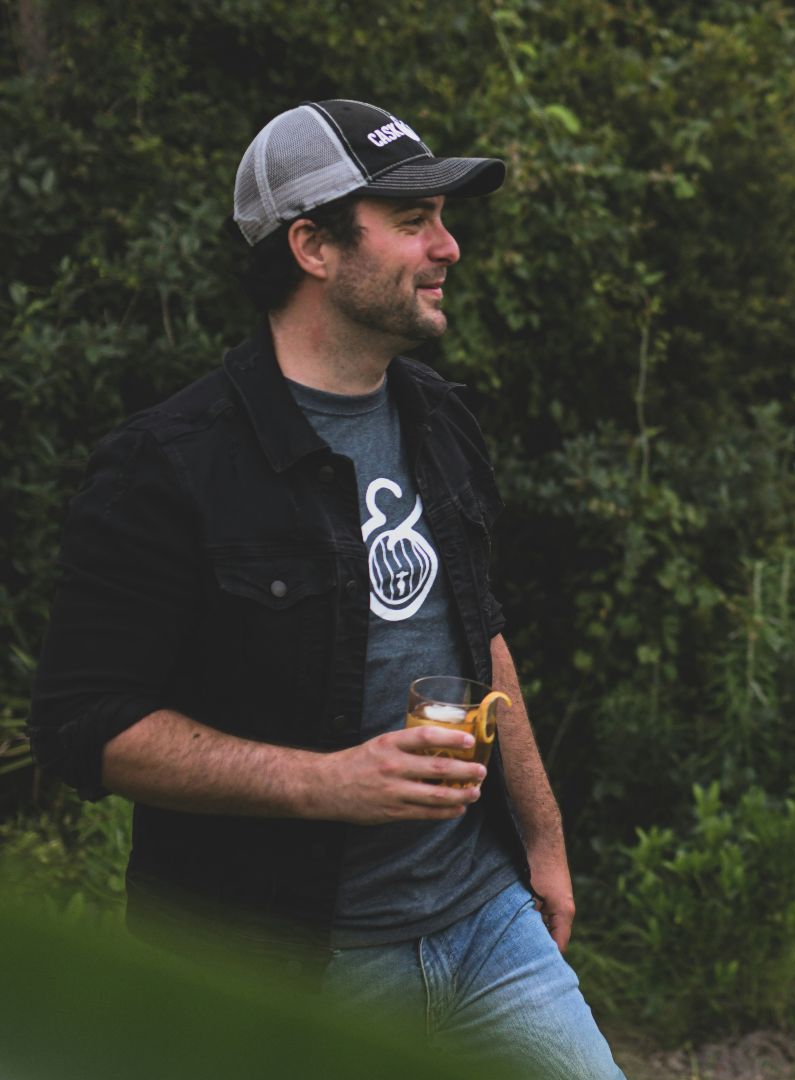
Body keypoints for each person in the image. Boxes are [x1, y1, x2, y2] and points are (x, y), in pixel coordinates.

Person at [29, 99, 624, 1079]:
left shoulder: (439, 416)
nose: (449, 246)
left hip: (486, 922)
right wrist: (326, 782)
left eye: (443, 217)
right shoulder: (169, 467)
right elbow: (83, 725)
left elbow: (483, 639)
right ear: (311, 245)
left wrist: (542, 843)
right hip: (285, 965)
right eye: (411, 221)